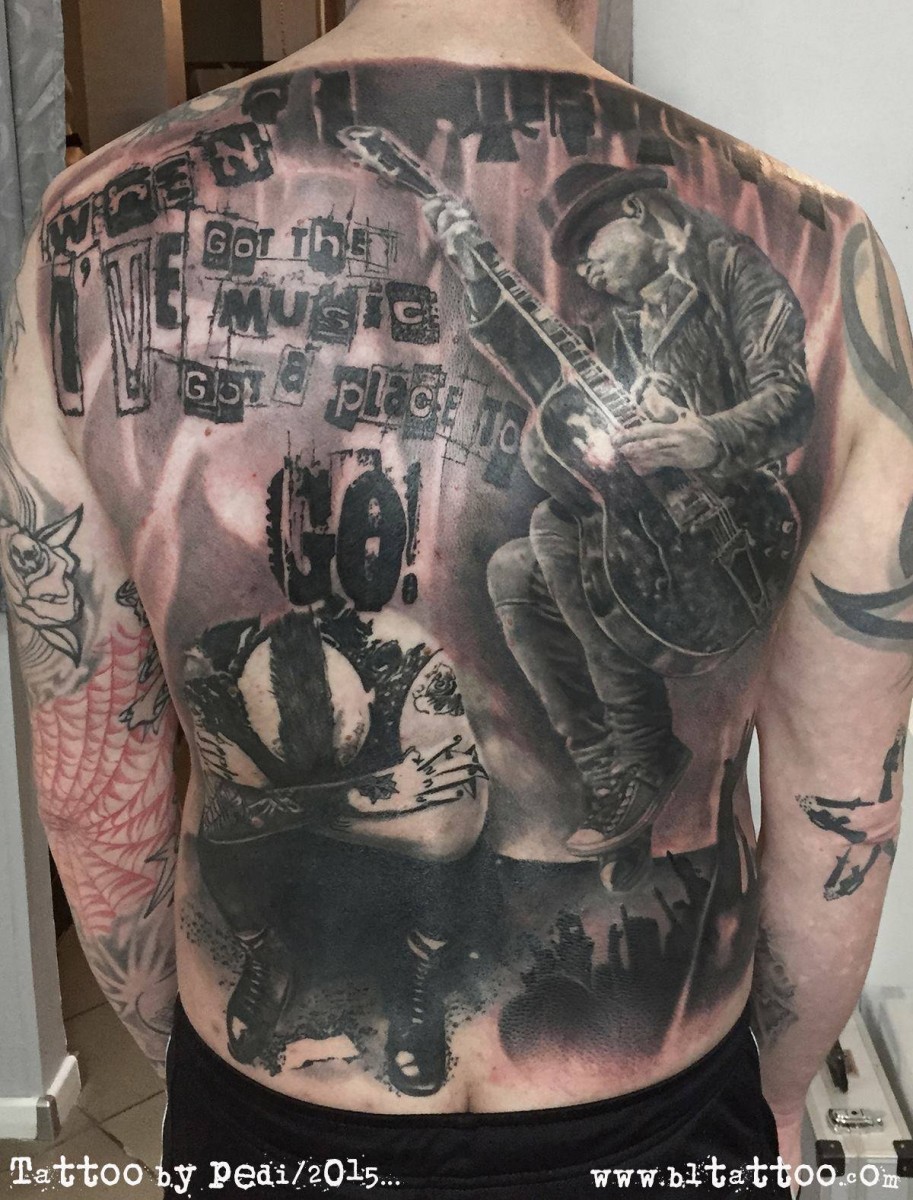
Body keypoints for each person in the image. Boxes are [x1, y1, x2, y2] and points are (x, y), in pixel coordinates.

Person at [2, 0, 911, 1195]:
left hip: (274, 1114)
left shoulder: (84, 229)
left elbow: (93, 788)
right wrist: (778, 1091)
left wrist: (197, 1066)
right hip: (664, 1097)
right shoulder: (829, 244)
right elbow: (838, 800)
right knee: (522, 567)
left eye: (598, 251)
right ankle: (619, 752)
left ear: (644, 220)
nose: (588, 273)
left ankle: (616, 753)